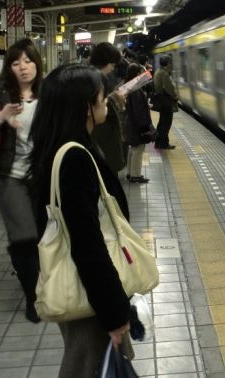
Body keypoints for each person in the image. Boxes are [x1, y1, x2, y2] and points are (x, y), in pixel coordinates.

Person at [29, 63, 132, 377]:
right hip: (90, 295)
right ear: (85, 106)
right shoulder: (74, 158)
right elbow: (87, 245)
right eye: (101, 96)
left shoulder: (57, 148)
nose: (105, 101)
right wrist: (115, 314)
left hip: (90, 291)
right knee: (89, 366)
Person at [0, 39, 43, 322]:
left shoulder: (49, 92)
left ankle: (44, 284)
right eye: (16, 63)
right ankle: (32, 298)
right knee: (24, 238)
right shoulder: (1, 92)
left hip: (40, 176)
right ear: (9, 68)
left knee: (41, 236)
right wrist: (1, 117)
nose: (23, 68)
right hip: (8, 177)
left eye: (28, 61)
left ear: (37, 63)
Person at [89, 42, 127, 176]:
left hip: (103, 143)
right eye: (112, 64)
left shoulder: (97, 77)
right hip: (103, 143)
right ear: (104, 61)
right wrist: (115, 101)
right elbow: (99, 109)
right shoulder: (93, 80)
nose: (113, 68)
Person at [124, 63, 155, 183]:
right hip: (136, 124)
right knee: (138, 149)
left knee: (133, 148)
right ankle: (135, 175)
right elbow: (138, 110)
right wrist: (143, 126)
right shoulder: (135, 89)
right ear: (137, 74)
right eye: (142, 73)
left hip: (132, 123)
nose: (144, 75)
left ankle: (130, 173)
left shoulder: (130, 86)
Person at [153, 55, 178, 150]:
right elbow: (169, 88)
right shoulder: (164, 74)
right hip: (166, 102)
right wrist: (175, 96)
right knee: (166, 123)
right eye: (170, 62)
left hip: (161, 101)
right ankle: (163, 143)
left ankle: (158, 142)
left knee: (162, 122)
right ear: (167, 63)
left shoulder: (158, 72)